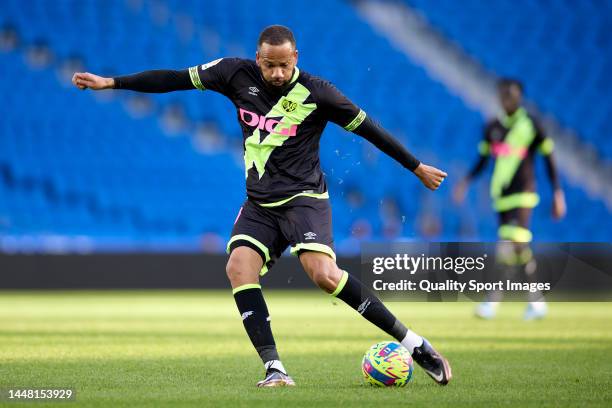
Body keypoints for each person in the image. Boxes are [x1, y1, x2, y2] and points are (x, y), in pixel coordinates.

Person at [73, 25, 451, 387]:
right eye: (269, 65)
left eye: (284, 65)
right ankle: (275, 368)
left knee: (323, 274)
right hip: (260, 203)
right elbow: (174, 79)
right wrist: (113, 82)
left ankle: (415, 344)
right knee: (238, 267)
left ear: (295, 57)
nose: (276, 72)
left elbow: (371, 129)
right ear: (258, 58)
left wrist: (415, 166)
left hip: (304, 198)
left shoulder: (319, 93)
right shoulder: (232, 72)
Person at [453, 78, 566, 320]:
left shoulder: (532, 124)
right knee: (517, 247)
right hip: (501, 195)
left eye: (511, 95)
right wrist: (466, 182)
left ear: (519, 97)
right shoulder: (492, 127)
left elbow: (549, 158)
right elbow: (482, 161)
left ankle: (493, 301)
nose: (507, 99)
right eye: (503, 94)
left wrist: (557, 192)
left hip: (524, 192)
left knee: (509, 244)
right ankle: (536, 301)